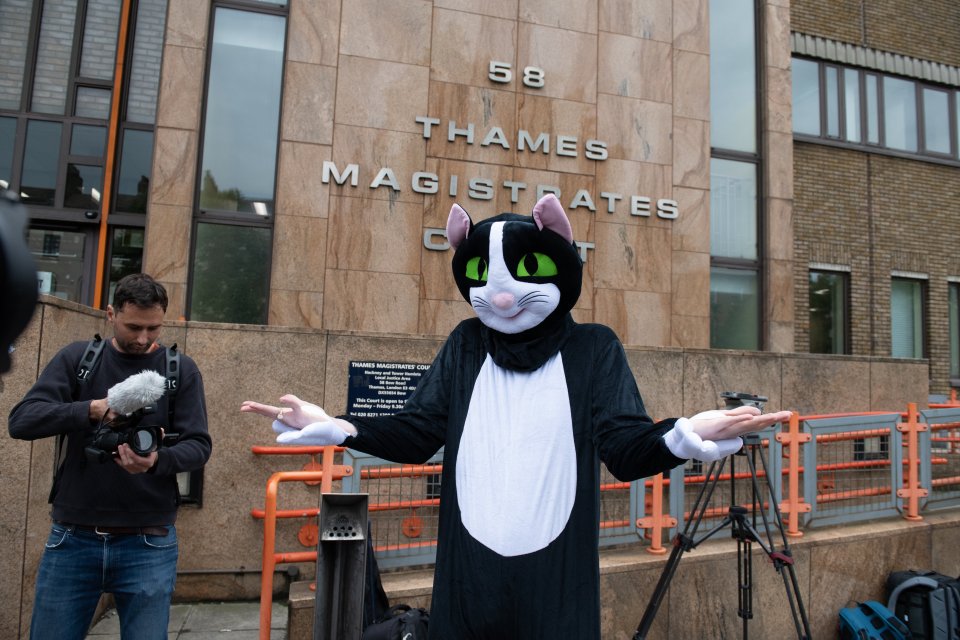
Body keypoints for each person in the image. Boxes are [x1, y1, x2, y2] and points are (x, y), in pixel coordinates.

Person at [242, 195, 791, 639]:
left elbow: (622, 447)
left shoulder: (592, 349)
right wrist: (341, 427)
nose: (500, 298)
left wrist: (685, 435)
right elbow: (418, 432)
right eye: (482, 275)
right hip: (468, 580)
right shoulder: (465, 344)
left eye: (525, 270)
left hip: (556, 583)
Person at [8, 273, 212, 640]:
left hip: (148, 540)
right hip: (72, 538)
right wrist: (91, 410)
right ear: (110, 314)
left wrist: (156, 462)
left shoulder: (179, 370)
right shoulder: (78, 359)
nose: (143, 339)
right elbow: (21, 421)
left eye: (154, 328)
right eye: (133, 326)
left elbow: (199, 446)